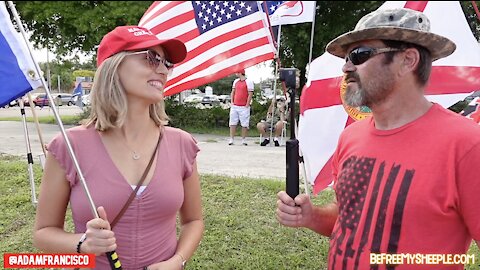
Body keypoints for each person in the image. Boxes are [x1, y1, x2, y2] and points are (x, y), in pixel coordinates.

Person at [276, 8, 480, 270]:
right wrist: (311, 216)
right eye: (348, 58)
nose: (346, 67)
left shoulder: (465, 144)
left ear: (408, 60)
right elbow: (349, 217)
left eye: (359, 55)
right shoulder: (350, 137)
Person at [33, 25, 204, 270]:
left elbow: (194, 220)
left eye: (166, 63)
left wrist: (177, 261)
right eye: (151, 57)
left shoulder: (182, 144)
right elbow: (43, 232)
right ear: (114, 66)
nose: (163, 69)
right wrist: (82, 242)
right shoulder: (68, 146)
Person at [228, 69, 254, 146]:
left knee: (244, 123)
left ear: (240, 73)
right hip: (235, 105)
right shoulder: (236, 81)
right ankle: (231, 139)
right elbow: (233, 92)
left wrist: (247, 104)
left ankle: (243, 139)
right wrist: (232, 101)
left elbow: (250, 94)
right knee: (232, 122)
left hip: (243, 106)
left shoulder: (248, 82)